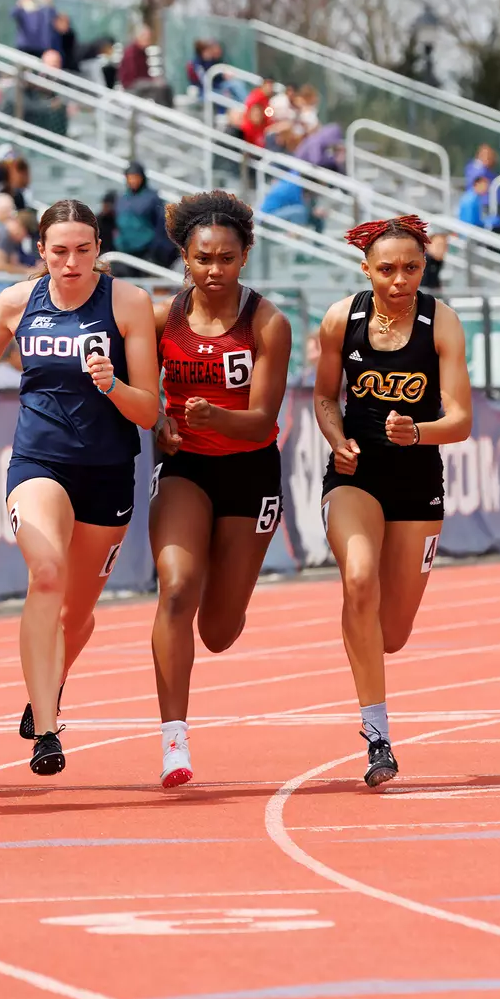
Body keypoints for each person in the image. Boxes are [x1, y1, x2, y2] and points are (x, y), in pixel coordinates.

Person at [0, 200, 160, 775]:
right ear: (40, 251)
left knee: (77, 614)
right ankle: (47, 730)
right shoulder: (18, 301)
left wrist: (113, 385)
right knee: (45, 574)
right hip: (38, 461)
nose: (70, 262)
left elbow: (148, 410)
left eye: (83, 250)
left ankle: (51, 679)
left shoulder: (128, 303)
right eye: (58, 251)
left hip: (108, 471)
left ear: (98, 250)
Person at [314, 215, 473, 787]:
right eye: (387, 269)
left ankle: (367, 651)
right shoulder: (342, 319)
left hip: (417, 480)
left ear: (424, 269)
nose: (399, 280)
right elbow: (324, 397)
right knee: (359, 578)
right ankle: (377, 735)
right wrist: (337, 441)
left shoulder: (442, 324)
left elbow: (460, 420)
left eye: (411, 268)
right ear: (366, 269)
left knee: (392, 633)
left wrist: (420, 432)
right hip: (354, 476)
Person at [149, 193, 289, 786]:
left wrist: (215, 418)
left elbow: (261, 420)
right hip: (186, 470)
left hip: (250, 473)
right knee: (177, 590)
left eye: (226, 259)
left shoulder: (267, 324)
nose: (213, 270)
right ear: (184, 256)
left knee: (218, 631)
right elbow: (137, 396)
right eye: (203, 258)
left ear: (245, 256)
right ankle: (173, 741)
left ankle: (227, 586)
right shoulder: (162, 319)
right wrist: (161, 422)